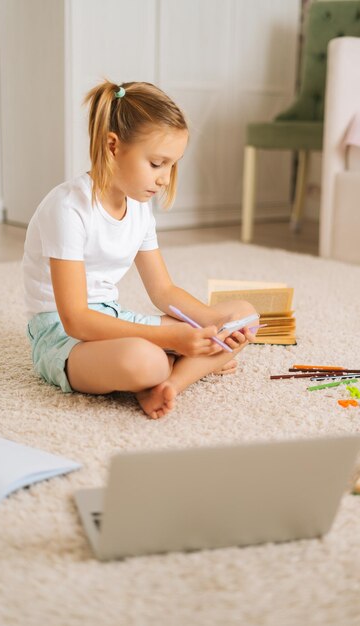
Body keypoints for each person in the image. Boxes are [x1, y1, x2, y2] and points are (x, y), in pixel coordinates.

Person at [22, 80, 257, 419]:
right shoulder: (67, 207)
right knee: (145, 360)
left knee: (243, 315)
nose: (164, 178)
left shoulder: (140, 208)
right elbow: (76, 319)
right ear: (113, 146)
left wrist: (211, 327)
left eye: (172, 165)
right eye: (157, 163)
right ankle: (177, 367)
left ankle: (169, 386)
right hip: (62, 335)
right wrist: (172, 339)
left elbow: (163, 290)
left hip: (114, 319)